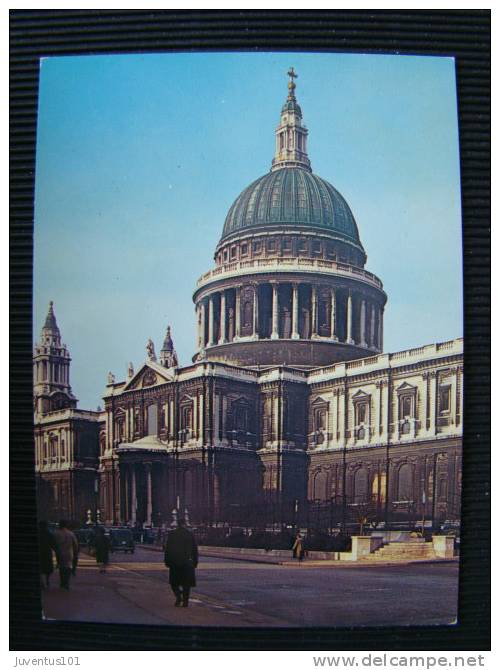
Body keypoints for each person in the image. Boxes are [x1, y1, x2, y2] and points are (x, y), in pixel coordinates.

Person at [164, 519, 198, 608]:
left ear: (178, 524)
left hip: (175, 562)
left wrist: (167, 561)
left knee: (174, 583)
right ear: (185, 524)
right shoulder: (190, 534)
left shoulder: (172, 534)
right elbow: (195, 549)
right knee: (186, 584)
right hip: (187, 562)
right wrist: (195, 562)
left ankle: (178, 596)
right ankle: (185, 602)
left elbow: (168, 550)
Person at [53, 520, 79, 590]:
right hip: (69, 553)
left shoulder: (56, 533)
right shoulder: (71, 533)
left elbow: (53, 544)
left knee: (61, 568)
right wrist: (76, 553)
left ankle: (62, 583)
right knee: (68, 568)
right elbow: (75, 545)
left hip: (60, 553)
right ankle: (66, 583)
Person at [38, 521, 56, 589]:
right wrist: (57, 551)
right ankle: (47, 581)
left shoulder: (38, 533)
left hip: (40, 552)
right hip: (47, 552)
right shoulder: (49, 534)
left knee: (40, 568)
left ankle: (42, 581)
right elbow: (53, 544)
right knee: (48, 568)